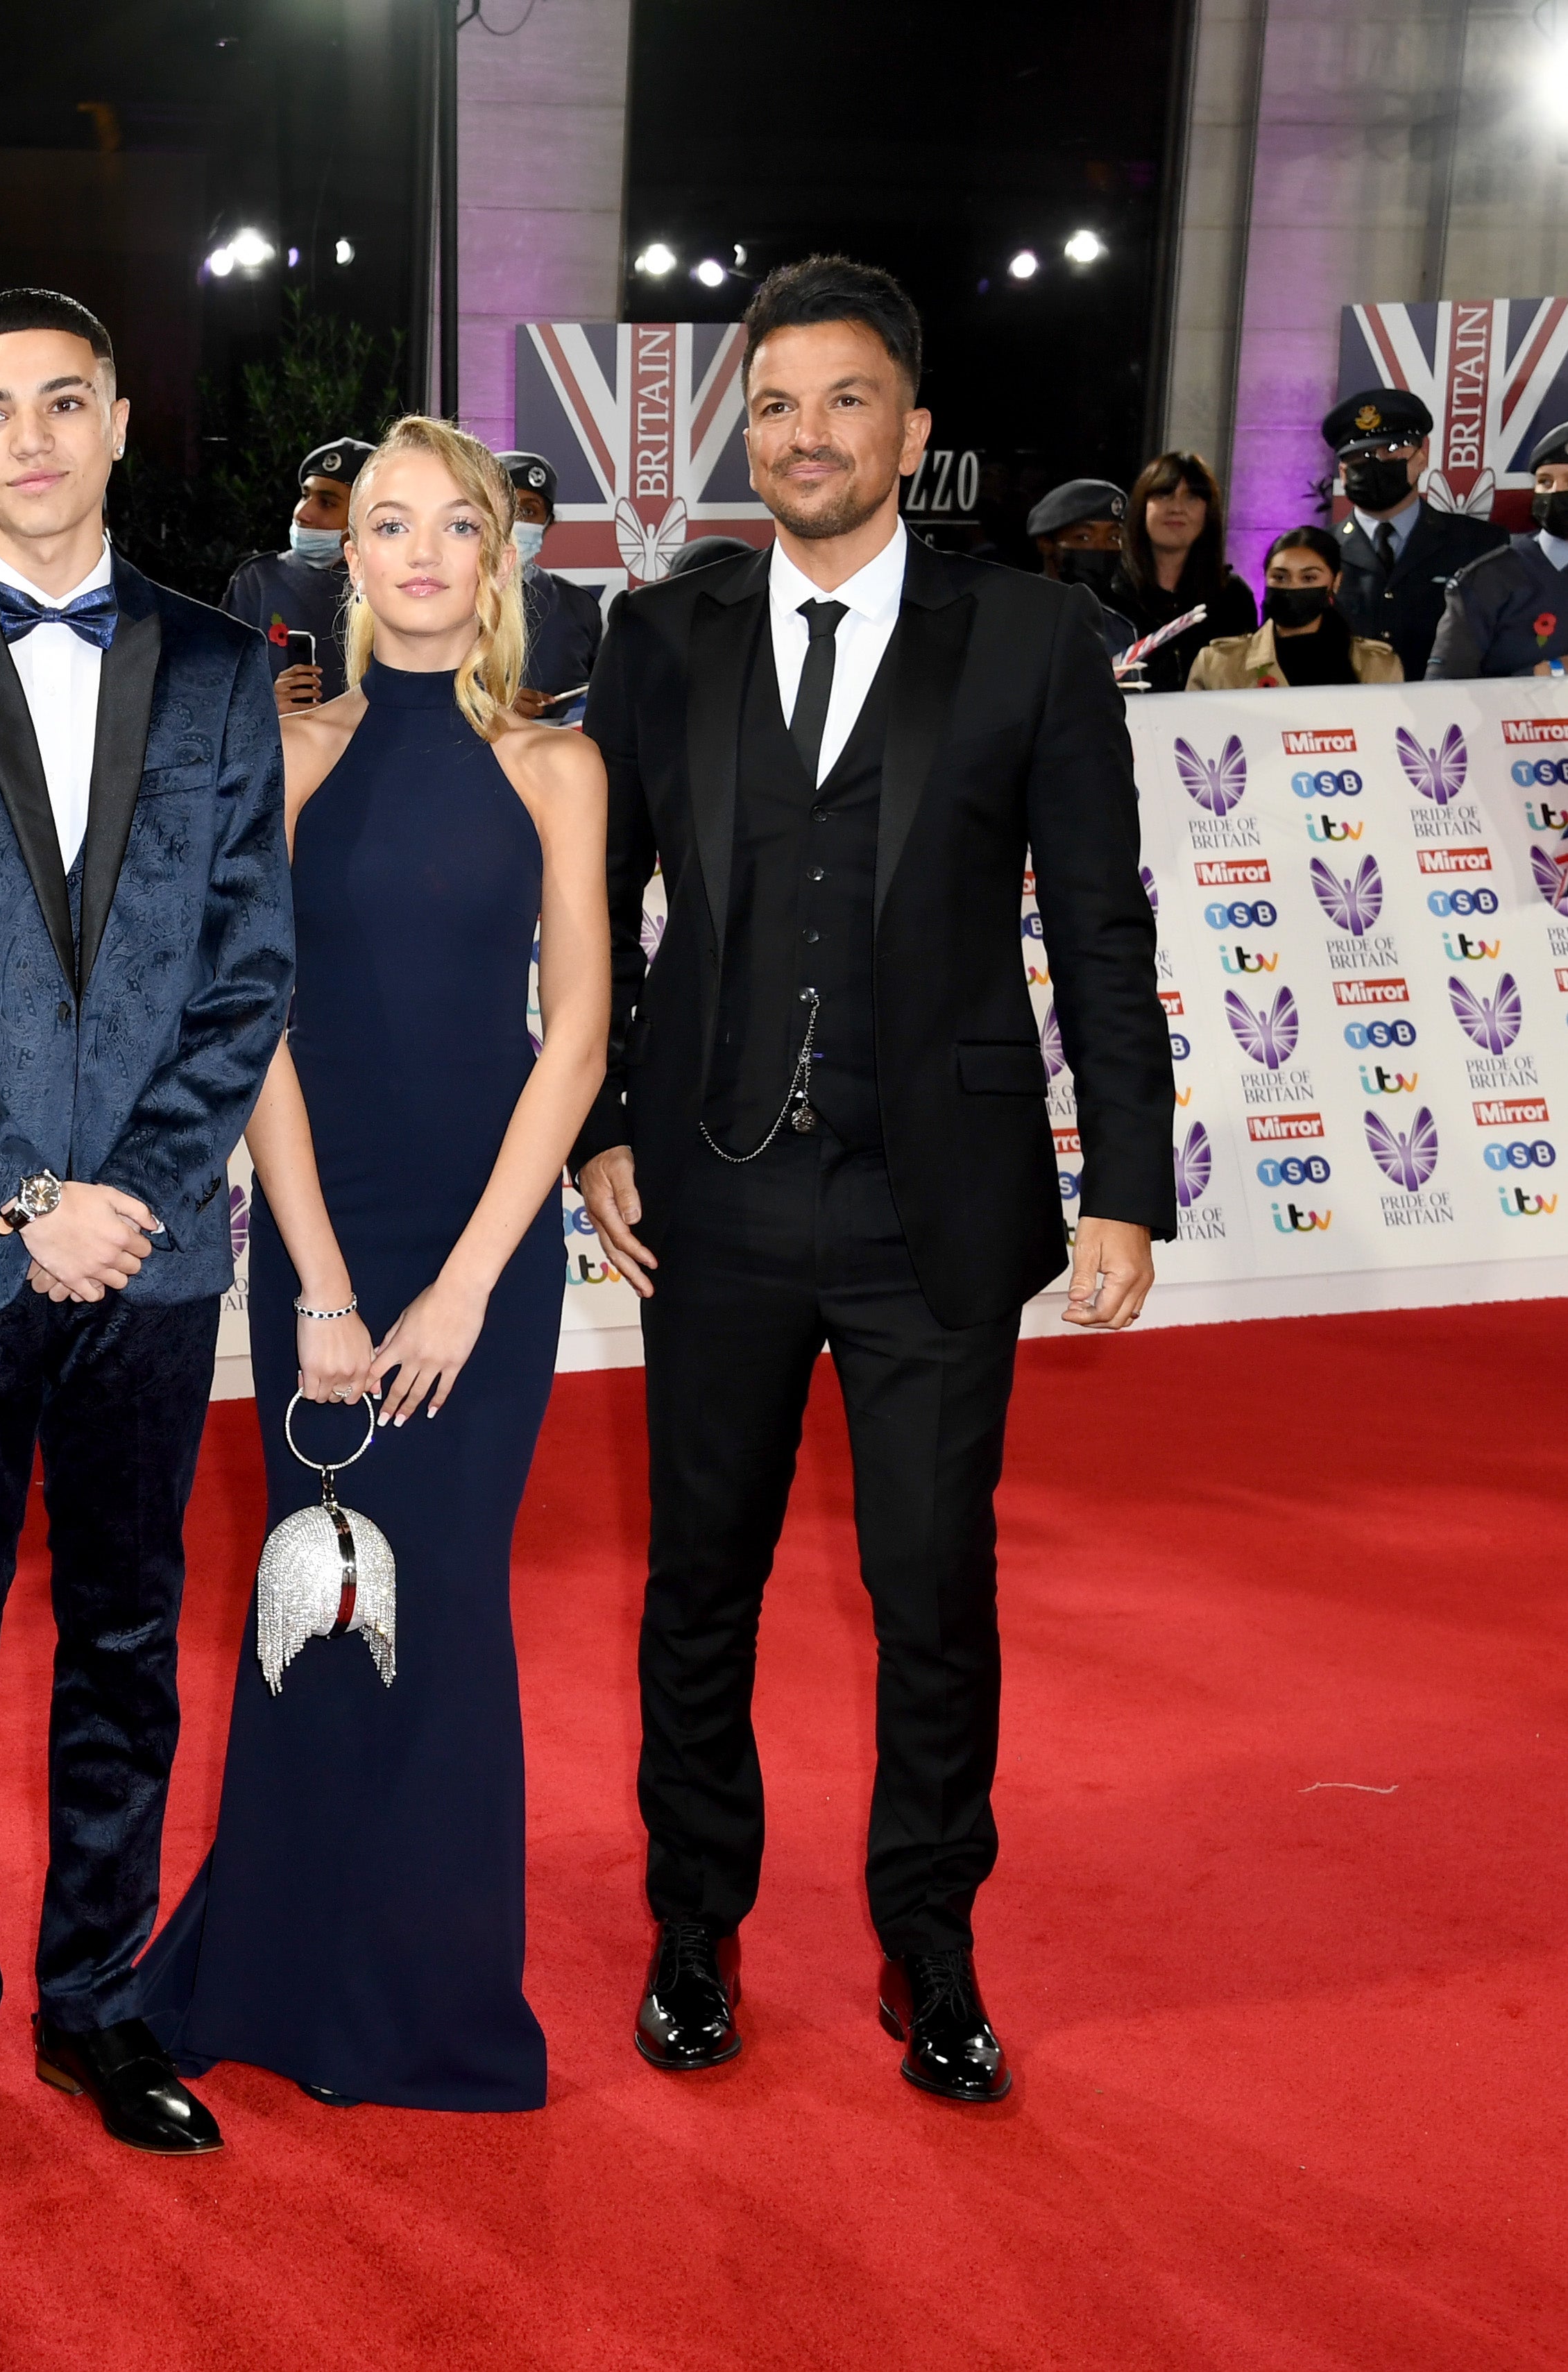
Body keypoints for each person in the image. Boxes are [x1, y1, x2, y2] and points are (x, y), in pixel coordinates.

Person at [571, 256, 1170, 2107]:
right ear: (738, 436)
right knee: (700, 1589)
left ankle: (929, 1948)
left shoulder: (1028, 640)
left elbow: (1092, 920)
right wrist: (598, 1118)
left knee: (930, 1592)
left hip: (938, 1209)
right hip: (711, 1198)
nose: (805, 437)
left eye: (843, 401)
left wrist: (1122, 1185)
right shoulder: (658, 638)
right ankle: (694, 1929)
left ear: (914, 432)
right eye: (772, 407)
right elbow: (588, 905)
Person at [0, 286, 294, 2174]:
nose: (27, 438)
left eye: (60, 402)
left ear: (110, 423)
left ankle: (93, 1999)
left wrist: (135, 1195)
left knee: (121, 1634)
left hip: (155, 1256)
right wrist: (21, 1196)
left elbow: (242, 966)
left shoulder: (224, 662)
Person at [138, 418, 607, 2113]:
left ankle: (429, 1995)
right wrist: (322, 1285)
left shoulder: (557, 766)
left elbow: (570, 1049)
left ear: (499, 556)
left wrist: (474, 1280)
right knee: (308, 1608)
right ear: (347, 559)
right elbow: (248, 1022)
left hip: (485, 1247)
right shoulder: (285, 749)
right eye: (383, 526)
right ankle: (273, 1968)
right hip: (325, 1240)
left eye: (450, 527)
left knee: (450, 1609)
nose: (414, 554)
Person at [1324, 386, 1501, 680]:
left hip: (1455, 713)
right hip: (1346, 716)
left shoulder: (1480, 545)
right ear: (1343, 471)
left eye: (1392, 451)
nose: (1376, 463)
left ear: (1421, 456)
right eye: (1361, 456)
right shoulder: (1320, 552)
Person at [221, 436, 372, 715]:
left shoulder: (386, 589)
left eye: (326, 503)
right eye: (305, 496)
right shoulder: (257, 583)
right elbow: (215, 692)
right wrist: (262, 709)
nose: (303, 514)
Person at [1428, 420, 1568, 678]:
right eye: (1545, 482)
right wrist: (1549, 672)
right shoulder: (1488, 579)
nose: (1557, 491)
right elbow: (1444, 689)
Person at [1185, 525, 1401, 690]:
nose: (1292, 587)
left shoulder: (1377, 666)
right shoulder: (1218, 664)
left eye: (1308, 578)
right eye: (1280, 577)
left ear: (1335, 582)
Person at [1114, 450, 1255, 694]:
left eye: (1192, 498)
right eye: (1165, 495)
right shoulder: (1109, 594)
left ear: (1207, 512)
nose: (1177, 508)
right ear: (1142, 507)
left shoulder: (1233, 597)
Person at [496, 448, 604, 717]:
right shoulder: (445, 598)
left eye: (528, 511)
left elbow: (605, 696)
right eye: (504, 507)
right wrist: (486, 706)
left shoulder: (578, 606)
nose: (514, 521)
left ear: (548, 523)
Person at [1024, 478, 1139, 667]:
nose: (1101, 548)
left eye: (1113, 537)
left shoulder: (1119, 631)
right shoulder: (1012, 620)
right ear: (1046, 543)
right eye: (1083, 537)